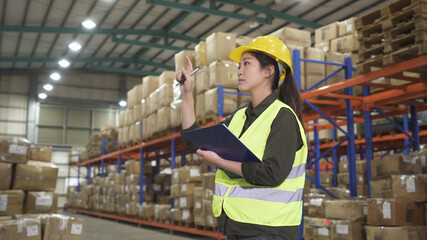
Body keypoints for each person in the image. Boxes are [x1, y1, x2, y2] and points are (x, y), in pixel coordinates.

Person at [178, 35, 307, 240]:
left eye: (246, 64)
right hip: (238, 226)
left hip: (268, 229)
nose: (239, 71)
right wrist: (186, 93)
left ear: (268, 71)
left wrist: (219, 161)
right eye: (239, 65)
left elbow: (272, 173)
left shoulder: (283, 117)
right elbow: (195, 140)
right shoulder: (239, 117)